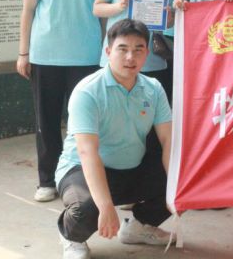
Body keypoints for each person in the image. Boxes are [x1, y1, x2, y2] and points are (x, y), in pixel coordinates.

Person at [17, 0, 110, 203]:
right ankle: (47, 180)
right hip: (45, 55)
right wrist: (23, 53)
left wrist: (108, 51)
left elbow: (105, 13)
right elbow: (28, 10)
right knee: (46, 122)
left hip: (87, 55)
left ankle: (83, 178)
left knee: (83, 123)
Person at [56, 19, 173, 259]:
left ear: (147, 53)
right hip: (81, 168)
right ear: (108, 52)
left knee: (184, 182)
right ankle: (71, 237)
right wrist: (106, 206)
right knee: (86, 208)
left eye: (138, 49)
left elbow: (168, 140)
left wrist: (176, 186)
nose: (130, 57)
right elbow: (87, 152)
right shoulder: (88, 91)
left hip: (131, 167)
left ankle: (138, 228)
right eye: (123, 49)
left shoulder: (154, 88)